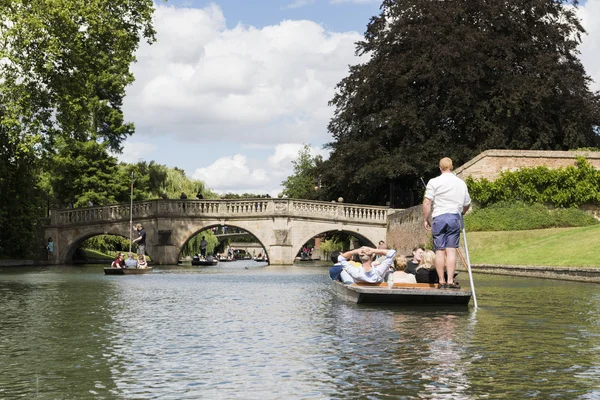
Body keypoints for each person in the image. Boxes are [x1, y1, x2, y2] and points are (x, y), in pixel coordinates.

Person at [423, 157, 471, 289]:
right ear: (452, 167)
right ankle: (450, 281)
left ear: (440, 168)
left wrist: (426, 219)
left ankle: (441, 281)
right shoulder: (461, 183)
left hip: (439, 217)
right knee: (451, 251)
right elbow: (467, 204)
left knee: (439, 251)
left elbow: (427, 202)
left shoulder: (434, 181)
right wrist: (462, 213)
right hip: (454, 217)